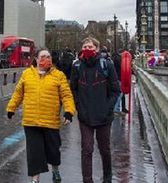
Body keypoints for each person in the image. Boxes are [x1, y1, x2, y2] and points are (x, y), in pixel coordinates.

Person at [7, 48, 76, 183]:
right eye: (43, 57)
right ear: (36, 59)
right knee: (34, 153)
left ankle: (55, 169)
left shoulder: (59, 75)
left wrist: (69, 112)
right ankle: (35, 180)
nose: (47, 59)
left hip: (50, 121)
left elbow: (66, 95)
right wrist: (11, 108)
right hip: (31, 121)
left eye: (48, 57)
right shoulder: (27, 74)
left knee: (53, 150)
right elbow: (18, 93)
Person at [70, 37, 120, 183]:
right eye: (85, 46)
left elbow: (115, 90)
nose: (87, 49)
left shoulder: (107, 65)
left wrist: (108, 107)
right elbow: (73, 88)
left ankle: (107, 177)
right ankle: (87, 180)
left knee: (104, 149)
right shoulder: (77, 66)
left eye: (90, 47)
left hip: (104, 116)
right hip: (85, 116)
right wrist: (79, 106)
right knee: (87, 149)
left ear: (97, 49)